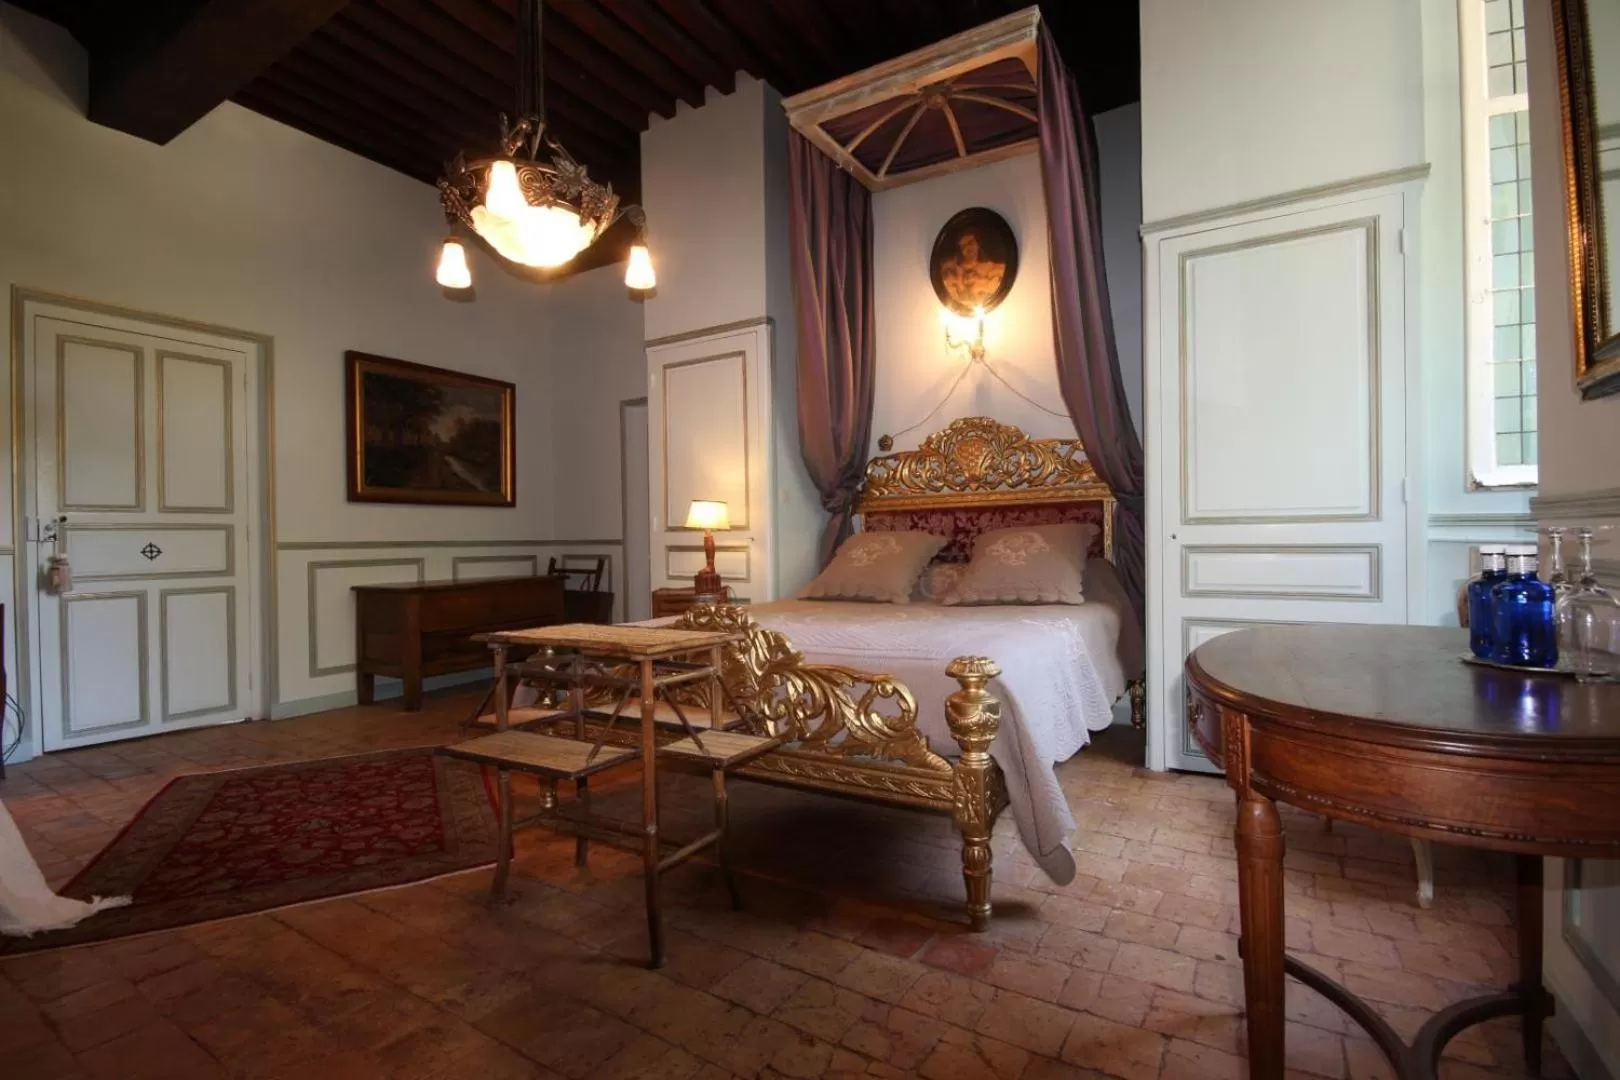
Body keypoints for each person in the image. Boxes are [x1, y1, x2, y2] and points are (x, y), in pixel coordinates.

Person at [939, 229, 1006, 312]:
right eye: (963, 246)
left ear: (978, 243)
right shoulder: (951, 269)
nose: (967, 248)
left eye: (970, 243)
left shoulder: (994, 269)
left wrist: (982, 282)